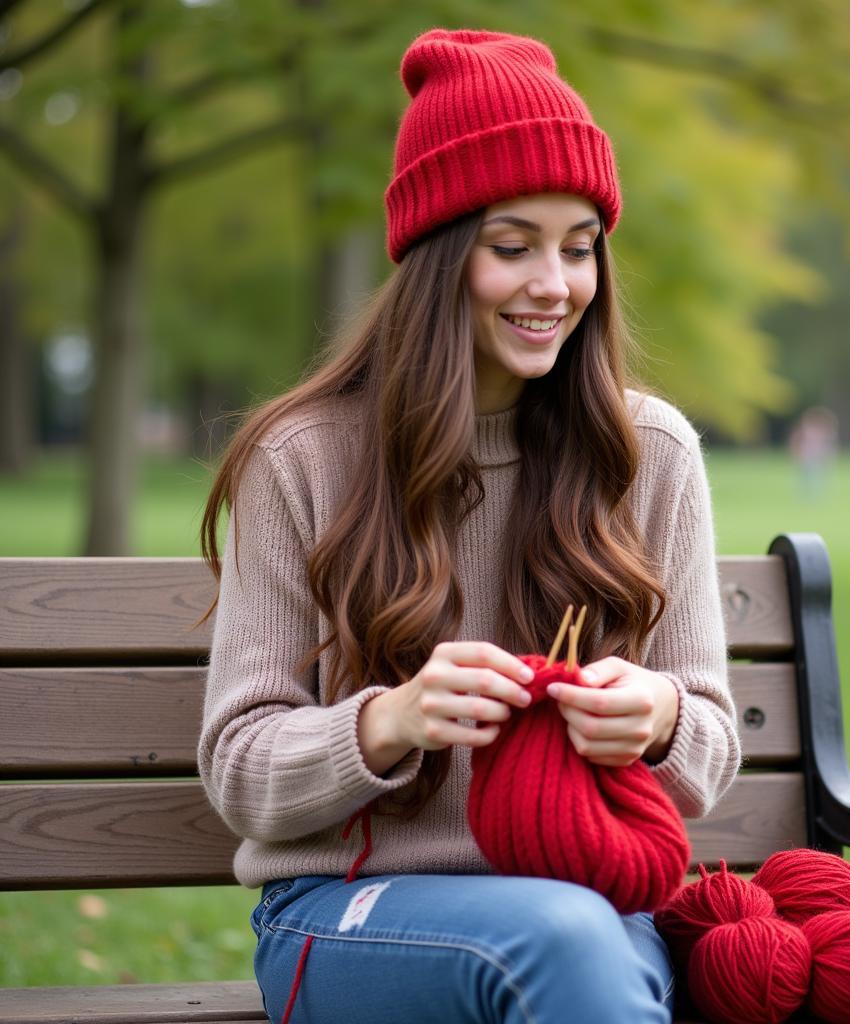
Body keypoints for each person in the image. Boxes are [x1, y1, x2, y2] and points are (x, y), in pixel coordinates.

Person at [196, 28, 739, 1024]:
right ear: (440, 255)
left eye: (579, 248)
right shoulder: (302, 458)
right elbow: (239, 769)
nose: (555, 285)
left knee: (582, 942)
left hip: (594, 899)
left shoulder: (651, 451)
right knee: (568, 947)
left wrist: (656, 716)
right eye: (512, 246)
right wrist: (389, 720)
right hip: (344, 912)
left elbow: (706, 743)